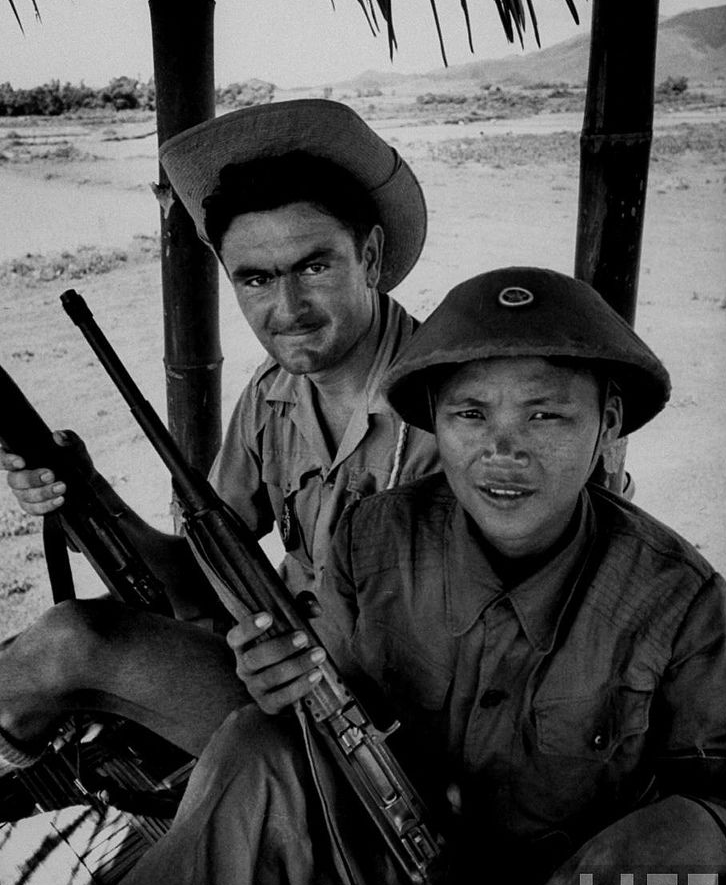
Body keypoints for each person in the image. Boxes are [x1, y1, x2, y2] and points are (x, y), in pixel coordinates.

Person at [63, 267, 726, 885]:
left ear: (608, 422)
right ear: (435, 424)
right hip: (383, 874)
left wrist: (701, 824)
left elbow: (723, 785)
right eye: (469, 415)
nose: (502, 450)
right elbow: (326, 699)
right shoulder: (372, 537)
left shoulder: (678, 599)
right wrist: (276, 681)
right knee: (257, 743)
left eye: (545, 414)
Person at [0, 99, 437, 767]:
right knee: (67, 638)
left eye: (314, 267)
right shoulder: (273, 395)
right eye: (256, 279)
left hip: (397, 747)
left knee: (72, 643)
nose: (286, 310)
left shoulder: (453, 410)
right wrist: (89, 494)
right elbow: (200, 576)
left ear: (370, 256)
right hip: (283, 689)